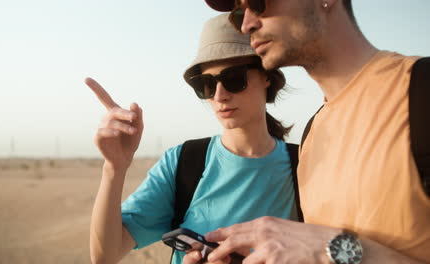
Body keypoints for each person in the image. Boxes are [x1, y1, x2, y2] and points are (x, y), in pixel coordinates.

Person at [182, 0, 430, 263]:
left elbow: (326, 251)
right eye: (240, 13)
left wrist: (334, 248)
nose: (246, 25)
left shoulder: (420, 91)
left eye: (258, 3)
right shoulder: (312, 134)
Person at [87, 13, 300, 264]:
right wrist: (114, 168)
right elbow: (104, 255)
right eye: (206, 84)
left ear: (267, 74)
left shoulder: (304, 164)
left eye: (234, 79)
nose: (219, 96)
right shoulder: (183, 162)